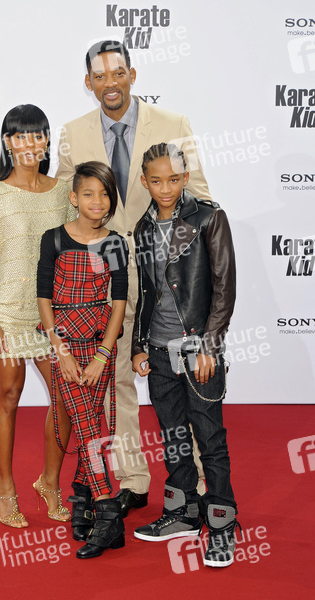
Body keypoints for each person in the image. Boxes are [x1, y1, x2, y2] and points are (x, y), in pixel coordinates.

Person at [56, 39, 209, 516]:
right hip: (103, 280)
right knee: (117, 381)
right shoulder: (72, 132)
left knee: (183, 381)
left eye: (118, 73)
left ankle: (199, 481)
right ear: (88, 82)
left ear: (133, 75)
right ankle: (132, 479)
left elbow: (200, 199)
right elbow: (63, 205)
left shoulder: (173, 123)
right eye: (100, 76)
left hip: (167, 279)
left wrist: (182, 265)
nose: (110, 83)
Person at [131, 142, 239, 567]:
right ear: (145, 181)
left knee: (209, 438)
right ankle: (183, 513)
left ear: (185, 177)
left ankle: (223, 524)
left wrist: (211, 344)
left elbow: (225, 286)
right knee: (173, 437)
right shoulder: (142, 228)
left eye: (174, 180)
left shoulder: (209, 217)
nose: (165, 188)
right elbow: (146, 292)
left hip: (197, 351)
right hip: (159, 350)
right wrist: (139, 345)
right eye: (157, 181)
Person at [0, 104, 76, 528]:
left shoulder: (63, 192)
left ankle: (49, 482)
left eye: (37, 135)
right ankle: (5, 487)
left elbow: (74, 250)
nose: (29, 143)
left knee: (66, 397)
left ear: (47, 141)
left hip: (50, 315)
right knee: (9, 396)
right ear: (7, 142)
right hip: (8, 313)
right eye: (19, 135)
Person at [37, 161, 128, 559]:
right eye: (88, 193)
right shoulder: (53, 239)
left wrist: (103, 355)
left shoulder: (115, 243)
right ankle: (107, 508)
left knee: (91, 421)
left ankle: (82, 497)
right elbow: (43, 297)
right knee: (89, 425)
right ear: (74, 198)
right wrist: (60, 350)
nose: (97, 201)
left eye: (105, 194)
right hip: (65, 346)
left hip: (99, 345)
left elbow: (119, 302)